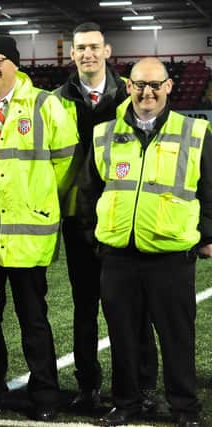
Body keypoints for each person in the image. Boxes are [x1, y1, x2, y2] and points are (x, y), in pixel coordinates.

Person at [77, 57, 210, 427]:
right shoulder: (104, 133)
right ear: (129, 86)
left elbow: (210, 189)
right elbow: (89, 190)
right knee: (123, 338)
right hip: (118, 256)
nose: (146, 92)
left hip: (171, 255)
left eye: (154, 85)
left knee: (177, 339)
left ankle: (185, 409)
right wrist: (95, 237)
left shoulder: (194, 132)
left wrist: (208, 236)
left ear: (169, 87)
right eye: (139, 85)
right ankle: (127, 404)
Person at [0, 36, 77, 421]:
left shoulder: (45, 104)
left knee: (32, 317)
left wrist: (37, 204)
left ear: (16, 65)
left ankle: (46, 395)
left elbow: (66, 164)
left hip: (24, 228)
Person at [54, 22, 158, 413]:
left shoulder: (128, 95)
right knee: (84, 309)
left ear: (108, 51)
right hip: (78, 218)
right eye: (80, 47)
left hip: (123, 217)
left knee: (134, 310)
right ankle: (88, 385)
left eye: (94, 47)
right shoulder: (55, 100)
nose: (87, 54)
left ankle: (141, 386)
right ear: (72, 53)